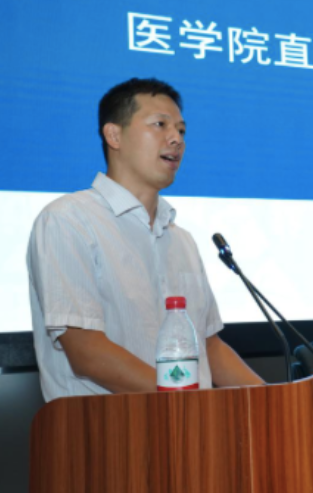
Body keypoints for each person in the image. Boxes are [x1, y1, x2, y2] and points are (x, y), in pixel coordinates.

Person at [27, 78, 264, 401]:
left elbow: (210, 347)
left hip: (193, 423)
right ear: (114, 136)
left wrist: (274, 401)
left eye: (181, 130)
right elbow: (86, 350)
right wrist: (186, 404)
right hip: (103, 427)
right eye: (160, 125)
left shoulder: (182, 240)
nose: (176, 139)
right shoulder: (68, 220)